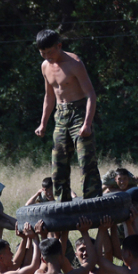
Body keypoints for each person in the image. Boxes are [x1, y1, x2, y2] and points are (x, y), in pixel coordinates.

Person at [34, 29, 99, 202]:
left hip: (79, 113)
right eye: (43, 53)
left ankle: (93, 203)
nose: (47, 56)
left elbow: (91, 95)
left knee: (86, 161)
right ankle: (62, 205)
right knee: (58, 164)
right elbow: (49, 96)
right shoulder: (45, 66)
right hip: (60, 116)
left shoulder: (74, 63)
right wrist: (43, 124)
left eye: (50, 52)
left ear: (59, 46)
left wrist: (87, 123)